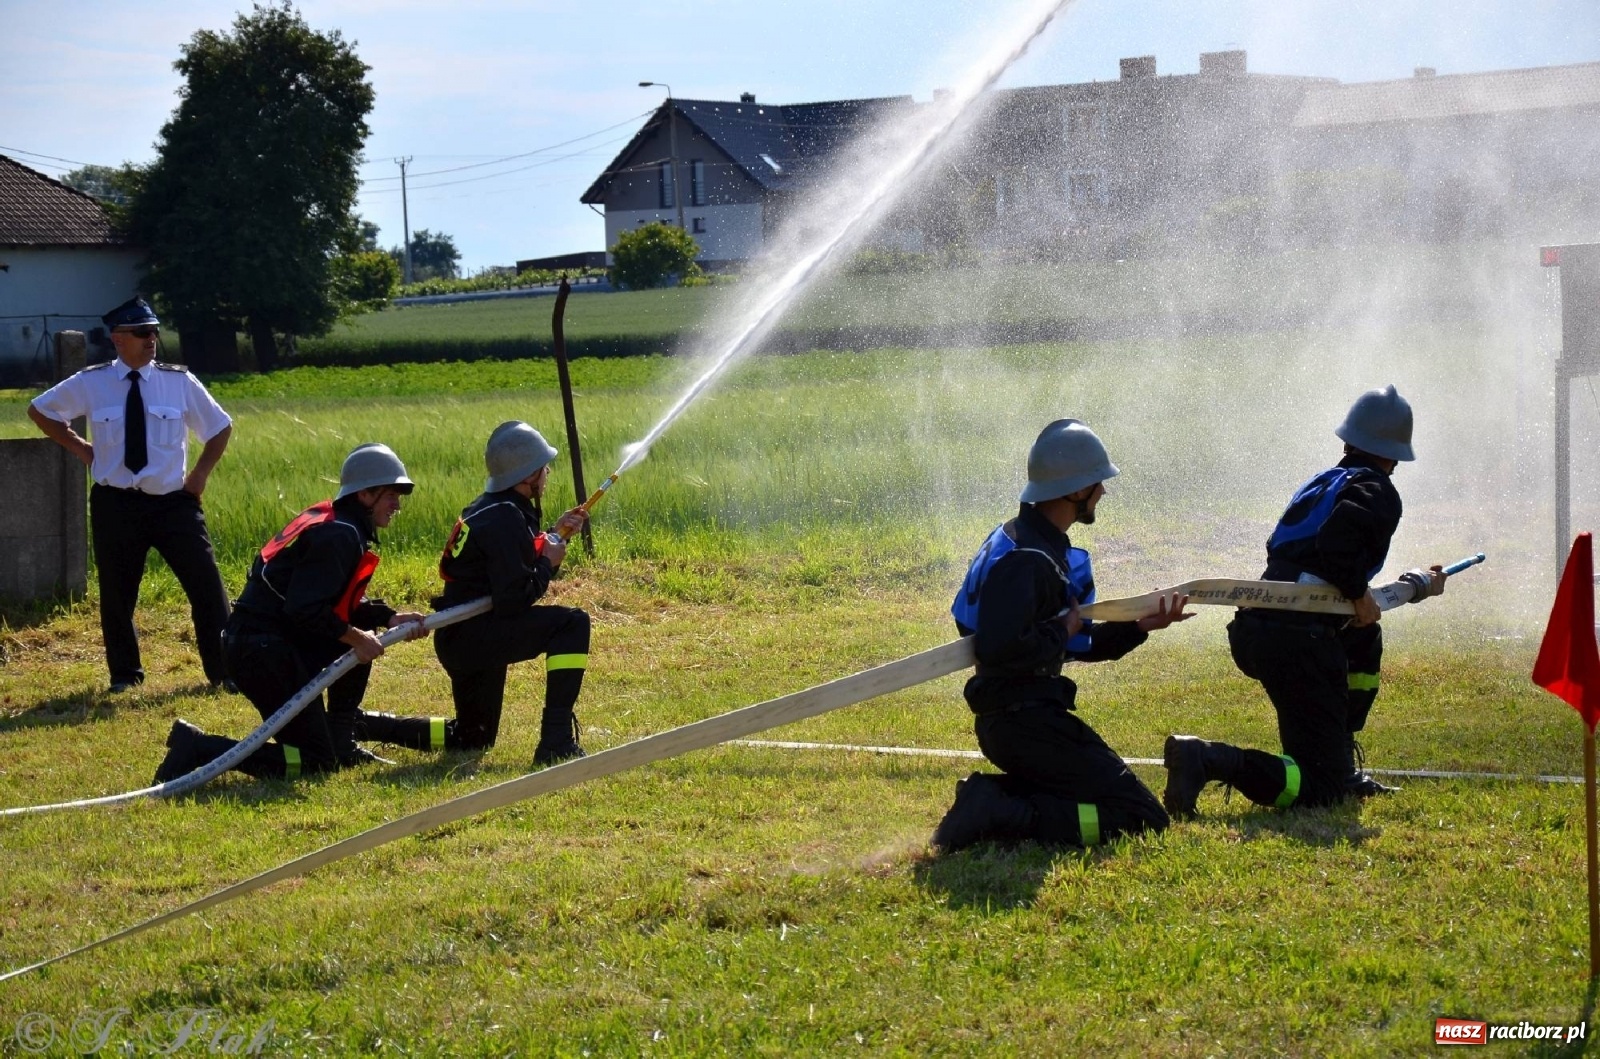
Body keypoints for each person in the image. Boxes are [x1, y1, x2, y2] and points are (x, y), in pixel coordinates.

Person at [1162, 385, 1447, 817]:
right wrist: (1358, 593)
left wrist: (1369, 601)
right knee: (1321, 790)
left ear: (1348, 440)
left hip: (1262, 629)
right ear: (1394, 455)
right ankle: (1208, 759)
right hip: (1299, 640)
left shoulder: (1323, 482)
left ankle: (1338, 760)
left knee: (1364, 639)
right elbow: (1336, 545)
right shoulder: (1376, 489)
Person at [930, 419, 1190, 854]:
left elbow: (1072, 645)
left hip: (1020, 721)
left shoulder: (1023, 539)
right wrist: (1060, 627)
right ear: (1074, 491)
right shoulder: (1029, 560)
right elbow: (999, 648)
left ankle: (999, 799)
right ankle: (998, 810)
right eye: (1097, 483)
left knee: (1109, 800)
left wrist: (1138, 626)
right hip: (1025, 725)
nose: (1102, 492)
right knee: (1138, 816)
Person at [152, 443, 428, 784]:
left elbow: (332, 602)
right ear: (366, 495)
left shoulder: (335, 523)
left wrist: (387, 618)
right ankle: (198, 747)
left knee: (353, 649)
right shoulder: (339, 535)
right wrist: (358, 637)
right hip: (263, 654)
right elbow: (306, 609)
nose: (397, 505)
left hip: (266, 643)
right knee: (315, 763)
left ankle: (342, 742)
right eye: (392, 495)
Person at [351, 422, 592, 767]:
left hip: (463, 637)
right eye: (543, 467)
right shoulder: (505, 516)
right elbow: (514, 599)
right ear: (528, 476)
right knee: (572, 624)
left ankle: (367, 725)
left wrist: (555, 534)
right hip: (478, 636)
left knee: (473, 737)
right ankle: (556, 741)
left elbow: (508, 565)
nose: (547, 472)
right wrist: (546, 564)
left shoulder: (491, 506)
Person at [27, 296, 233, 693]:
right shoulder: (92, 382)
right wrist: (82, 450)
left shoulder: (179, 382)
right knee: (118, 596)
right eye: (142, 333)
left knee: (207, 588)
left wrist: (200, 477)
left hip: (174, 503)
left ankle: (225, 672)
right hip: (116, 503)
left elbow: (220, 427)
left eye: (154, 331)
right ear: (118, 338)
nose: (151, 339)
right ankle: (125, 676)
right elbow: (41, 411)